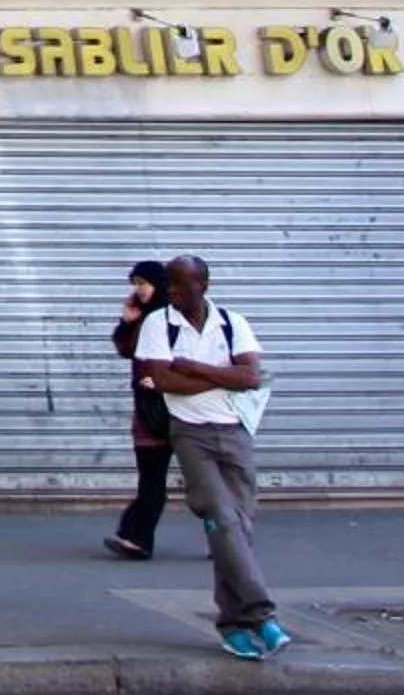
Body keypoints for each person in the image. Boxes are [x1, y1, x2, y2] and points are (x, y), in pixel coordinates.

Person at [135, 254, 288, 661]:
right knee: (221, 518)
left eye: (181, 284)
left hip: (236, 433)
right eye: (170, 283)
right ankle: (261, 615)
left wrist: (192, 368)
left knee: (236, 528)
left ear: (203, 284)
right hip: (191, 436)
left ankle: (232, 624)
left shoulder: (231, 323)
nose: (172, 291)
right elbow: (163, 380)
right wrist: (220, 376)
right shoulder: (159, 324)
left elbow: (250, 377)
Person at [105, 260, 174, 560]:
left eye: (143, 283)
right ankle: (136, 537)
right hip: (149, 411)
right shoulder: (145, 318)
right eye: (135, 282)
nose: (138, 289)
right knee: (152, 478)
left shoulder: (178, 318)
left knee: (204, 483)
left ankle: (226, 534)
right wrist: (128, 321)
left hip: (184, 408)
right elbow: (125, 350)